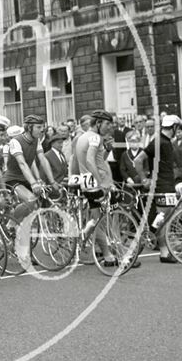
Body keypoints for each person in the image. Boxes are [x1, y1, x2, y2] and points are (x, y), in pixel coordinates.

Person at [73, 109, 118, 268]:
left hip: (88, 181)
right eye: (106, 124)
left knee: (97, 218)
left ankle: (85, 236)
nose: (109, 127)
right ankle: (108, 254)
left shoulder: (83, 137)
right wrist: (101, 183)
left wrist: (107, 150)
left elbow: (98, 160)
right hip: (95, 182)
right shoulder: (94, 137)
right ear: (98, 123)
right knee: (100, 219)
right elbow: (91, 161)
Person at [4, 115, 56, 224]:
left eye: (43, 127)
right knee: (30, 199)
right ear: (29, 128)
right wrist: (33, 183)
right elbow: (22, 163)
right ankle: (11, 224)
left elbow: (43, 160)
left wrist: (52, 181)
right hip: (12, 178)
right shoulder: (16, 141)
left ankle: (18, 225)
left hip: (26, 178)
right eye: (38, 127)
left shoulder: (36, 141)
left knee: (36, 204)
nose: (42, 130)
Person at [144, 115, 181, 263]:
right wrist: (144, 179)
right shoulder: (159, 141)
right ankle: (154, 241)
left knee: (165, 218)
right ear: (174, 128)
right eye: (177, 128)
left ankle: (163, 250)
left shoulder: (164, 141)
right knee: (163, 217)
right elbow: (139, 159)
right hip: (162, 185)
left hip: (167, 183)